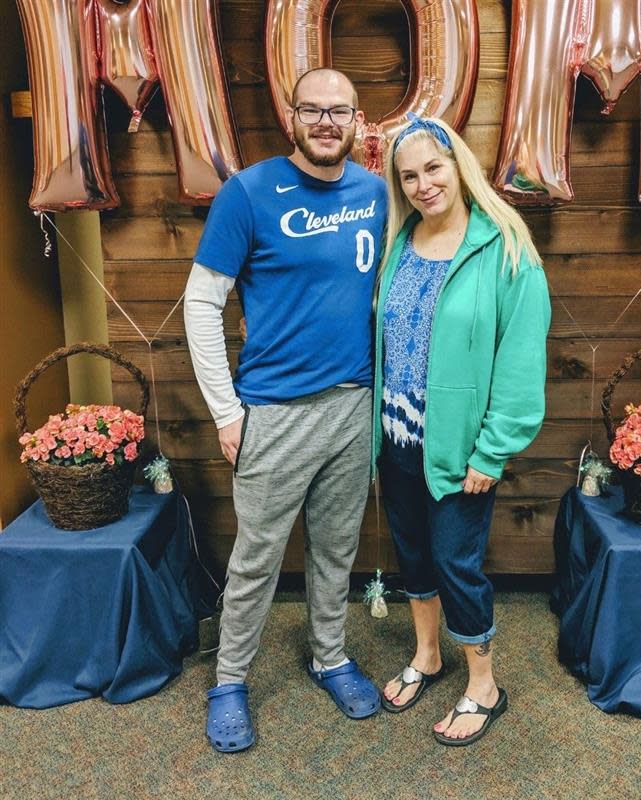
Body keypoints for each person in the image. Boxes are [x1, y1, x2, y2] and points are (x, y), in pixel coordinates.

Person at [184, 68, 387, 752]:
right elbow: (201, 303)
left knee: (335, 550)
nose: (327, 122)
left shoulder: (376, 193)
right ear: (292, 117)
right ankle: (229, 681)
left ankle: (328, 655)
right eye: (313, 110)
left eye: (340, 112)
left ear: (358, 121)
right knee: (256, 560)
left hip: (352, 404)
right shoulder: (248, 192)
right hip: (272, 409)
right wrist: (225, 411)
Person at [372, 115, 551, 746]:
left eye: (434, 168)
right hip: (395, 439)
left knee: (456, 561)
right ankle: (427, 654)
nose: (424, 185)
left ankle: (485, 686)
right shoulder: (400, 242)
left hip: (461, 448)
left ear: (459, 166)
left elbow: (521, 363)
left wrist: (493, 450)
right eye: (410, 175)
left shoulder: (506, 248)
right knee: (414, 553)